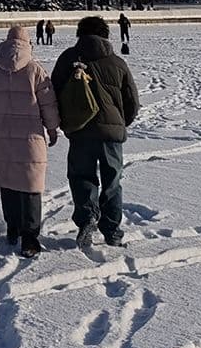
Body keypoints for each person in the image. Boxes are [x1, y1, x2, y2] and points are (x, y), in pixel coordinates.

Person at [52, 16, 140, 249]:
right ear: (106, 35)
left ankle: (87, 217)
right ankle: (111, 229)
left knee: (81, 176)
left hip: (80, 130)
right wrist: (120, 123)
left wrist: (63, 121)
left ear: (80, 34)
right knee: (112, 180)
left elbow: (54, 93)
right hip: (111, 133)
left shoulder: (67, 59)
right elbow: (132, 101)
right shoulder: (117, 62)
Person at [0, 25, 60, 257]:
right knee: (31, 186)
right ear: (27, 43)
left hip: (0, 136)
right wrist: (52, 129)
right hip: (30, 138)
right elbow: (48, 104)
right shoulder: (35, 70)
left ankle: (12, 229)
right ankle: (30, 237)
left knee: (8, 182)